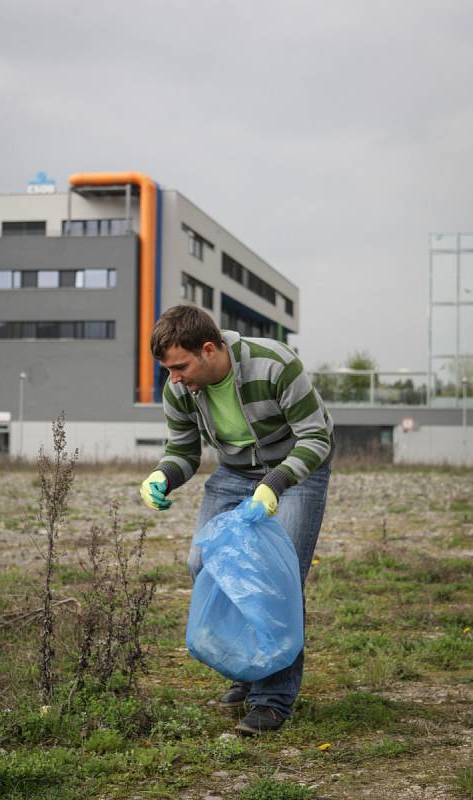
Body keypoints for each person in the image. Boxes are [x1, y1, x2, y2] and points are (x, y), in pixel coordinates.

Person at [140, 305, 333, 735]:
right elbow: (183, 451)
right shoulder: (180, 390)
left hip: (297, 470)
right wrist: (162, 475)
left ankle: (272, 701)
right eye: (168, 370)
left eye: (180, 367)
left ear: (209, 349)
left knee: (279, 580)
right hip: (233, 474)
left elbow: (316, 437)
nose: (174, 378)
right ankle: (247, 666)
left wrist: (276, 483)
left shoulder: (274, 364)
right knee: (203, 563)